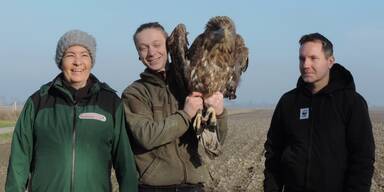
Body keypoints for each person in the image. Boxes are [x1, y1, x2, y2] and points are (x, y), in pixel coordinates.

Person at [5, 30, 138, 192]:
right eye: (70, 55)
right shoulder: (38, 102)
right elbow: (19, 160)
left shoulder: (110, 103)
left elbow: (125, 162)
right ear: (61, 61)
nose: (78, 62)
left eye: (84, 55)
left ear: (91, 61)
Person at [121, 22, 228, 192]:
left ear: (169, 46)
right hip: (154, 187)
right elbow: (146, 136)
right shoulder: (134, 93)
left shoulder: (189, 85)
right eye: (143, 48)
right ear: (138, 54)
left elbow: (216, 141)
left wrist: (219, 112)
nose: (151, 52)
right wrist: (186, 115)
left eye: (157, 45)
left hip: (194, 186)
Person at [263, 33, 375, 192]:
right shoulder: (288, 102)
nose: (306, 64)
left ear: (330, 61)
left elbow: (362, 159)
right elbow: (273, 153)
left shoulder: (352, 103)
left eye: (313, 58)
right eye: (302, 59)